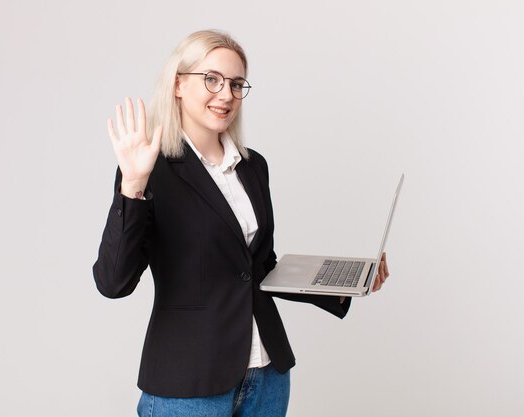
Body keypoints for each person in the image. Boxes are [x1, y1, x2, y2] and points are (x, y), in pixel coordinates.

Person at [93, 29, 390, 417]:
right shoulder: (150, 169)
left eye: (236, 84)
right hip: (190, 384)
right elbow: (113, 282)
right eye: (212, 80)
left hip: (266, 376)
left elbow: (259, 266)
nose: (226, 95)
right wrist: (132, 186)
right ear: (179, 84)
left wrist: (346, 282)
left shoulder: (252, 166)